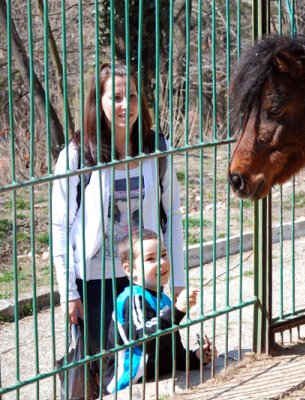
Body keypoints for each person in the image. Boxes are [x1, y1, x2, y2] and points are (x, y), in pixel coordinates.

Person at [51, 62, 185, 377]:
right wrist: (68, 291)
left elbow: (174, 215)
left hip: (144, 276)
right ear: (98, 102)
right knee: (101, 370)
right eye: (117, 97)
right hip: (95, 281)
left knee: (148, 365)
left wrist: (177, 279)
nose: (127, 105)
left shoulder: (157, 147)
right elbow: (60, 225)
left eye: (134, 96)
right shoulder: (77, 153)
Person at [103, 228, 213, 394]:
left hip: (155, 379)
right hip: (128, 386)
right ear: (129, 269)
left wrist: (196, 357)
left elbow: (171, 349)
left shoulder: (164, 300)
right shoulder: (133, 299)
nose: (161, 262)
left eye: (163, 255)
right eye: (150, 259)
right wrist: (176, 312)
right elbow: (146, 339)